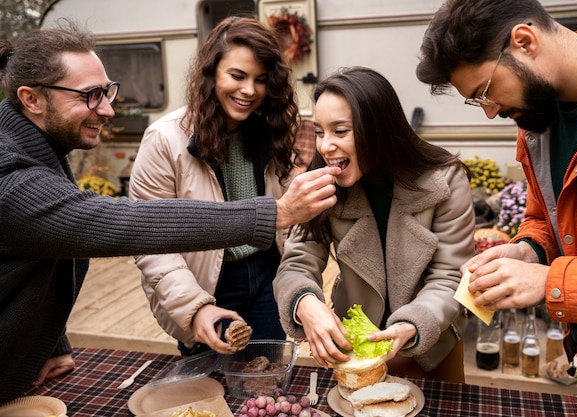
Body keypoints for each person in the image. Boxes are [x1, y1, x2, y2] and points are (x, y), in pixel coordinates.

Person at [0, 21, 339, 404]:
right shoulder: (13, 177)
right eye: (91, 95)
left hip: (264, 278)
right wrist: (271, 215)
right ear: (31, 99)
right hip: (203, 286)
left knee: (262, 393)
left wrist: (49, 341)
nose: (109, 109)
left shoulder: (41, 155)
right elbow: (125, 224)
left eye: (107, 92)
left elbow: (45, 254)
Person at [416, 1, 577, 415]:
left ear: (525, 41)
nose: (492, 111)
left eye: (485, 92)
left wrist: (551, 280)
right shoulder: (537, 122)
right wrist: (527, 248)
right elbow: (547, 219)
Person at [273, 66, 476, 383]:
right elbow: (297, 261)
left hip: (430, 348)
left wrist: (413, 325)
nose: (325, 146)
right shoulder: (319, 184)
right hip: (352, 348)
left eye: (340, 132)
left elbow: (451, 275)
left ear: (378, 129)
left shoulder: (445, 180)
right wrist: (305, 303)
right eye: (320, 132)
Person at [128, 16, 314, 356]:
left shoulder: (271, 130)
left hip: (267, 275)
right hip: (206, 284)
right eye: (237, 76)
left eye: (260, 80)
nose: (249, 91)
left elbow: (290, 220)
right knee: (209, 393)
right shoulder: (164, 139)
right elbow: (151, 242)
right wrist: (195, 307)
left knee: (263, 382)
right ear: (211, 73)